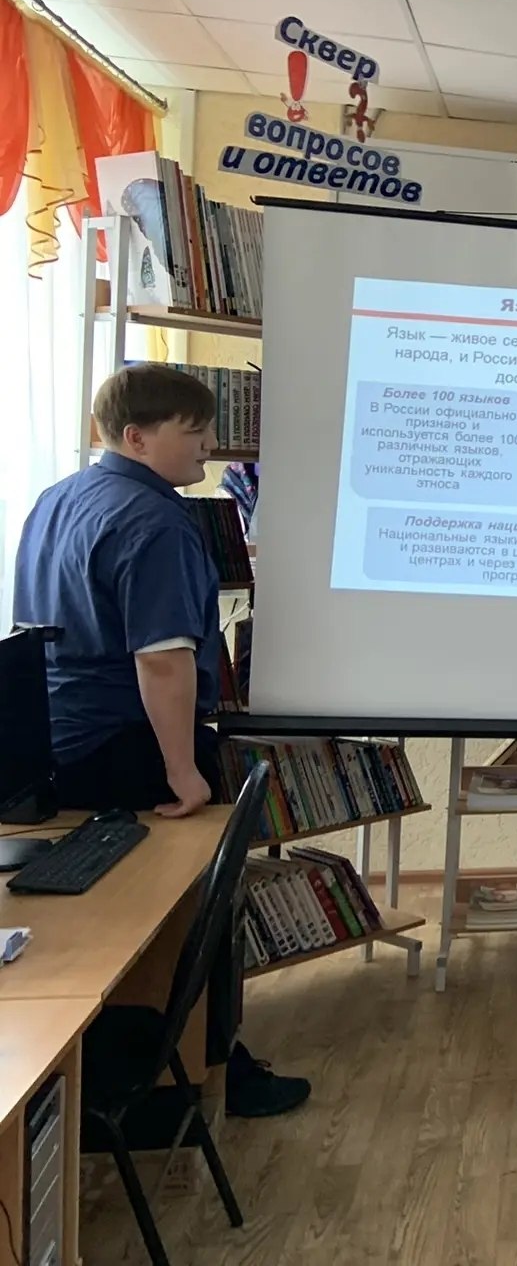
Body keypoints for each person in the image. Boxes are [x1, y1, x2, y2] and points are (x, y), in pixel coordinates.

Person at [11, 365, 309, 1118]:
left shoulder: (57, 499)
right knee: (187, 917)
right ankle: (208, 1075)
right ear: (136, 436)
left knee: (110, 921)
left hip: (61, 741)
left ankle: (130, 1078)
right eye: (194, 432)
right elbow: (164, 660)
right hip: (133, 746)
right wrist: (183, 770)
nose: (208, 448)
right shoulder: (157, 522)